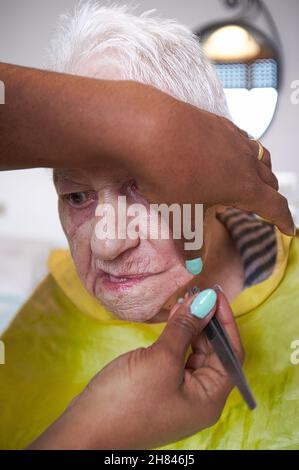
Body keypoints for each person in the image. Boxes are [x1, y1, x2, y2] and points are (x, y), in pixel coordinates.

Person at [0, 3, 297, 450]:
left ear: (221, 188)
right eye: (76, 196)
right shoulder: (43, 320)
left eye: (143, 189)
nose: (105, 242)